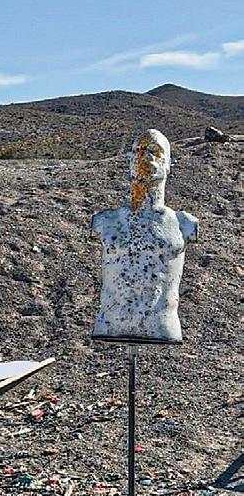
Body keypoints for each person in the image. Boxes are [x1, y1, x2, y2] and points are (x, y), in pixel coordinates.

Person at [91, 128, 198, 343]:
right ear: (130, 161)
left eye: (155, 151)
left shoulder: (184, 223)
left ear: (168, 163)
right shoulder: (105, 221)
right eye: (138, 151)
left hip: (162, 326)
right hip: (110, 324)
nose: (145, 157)